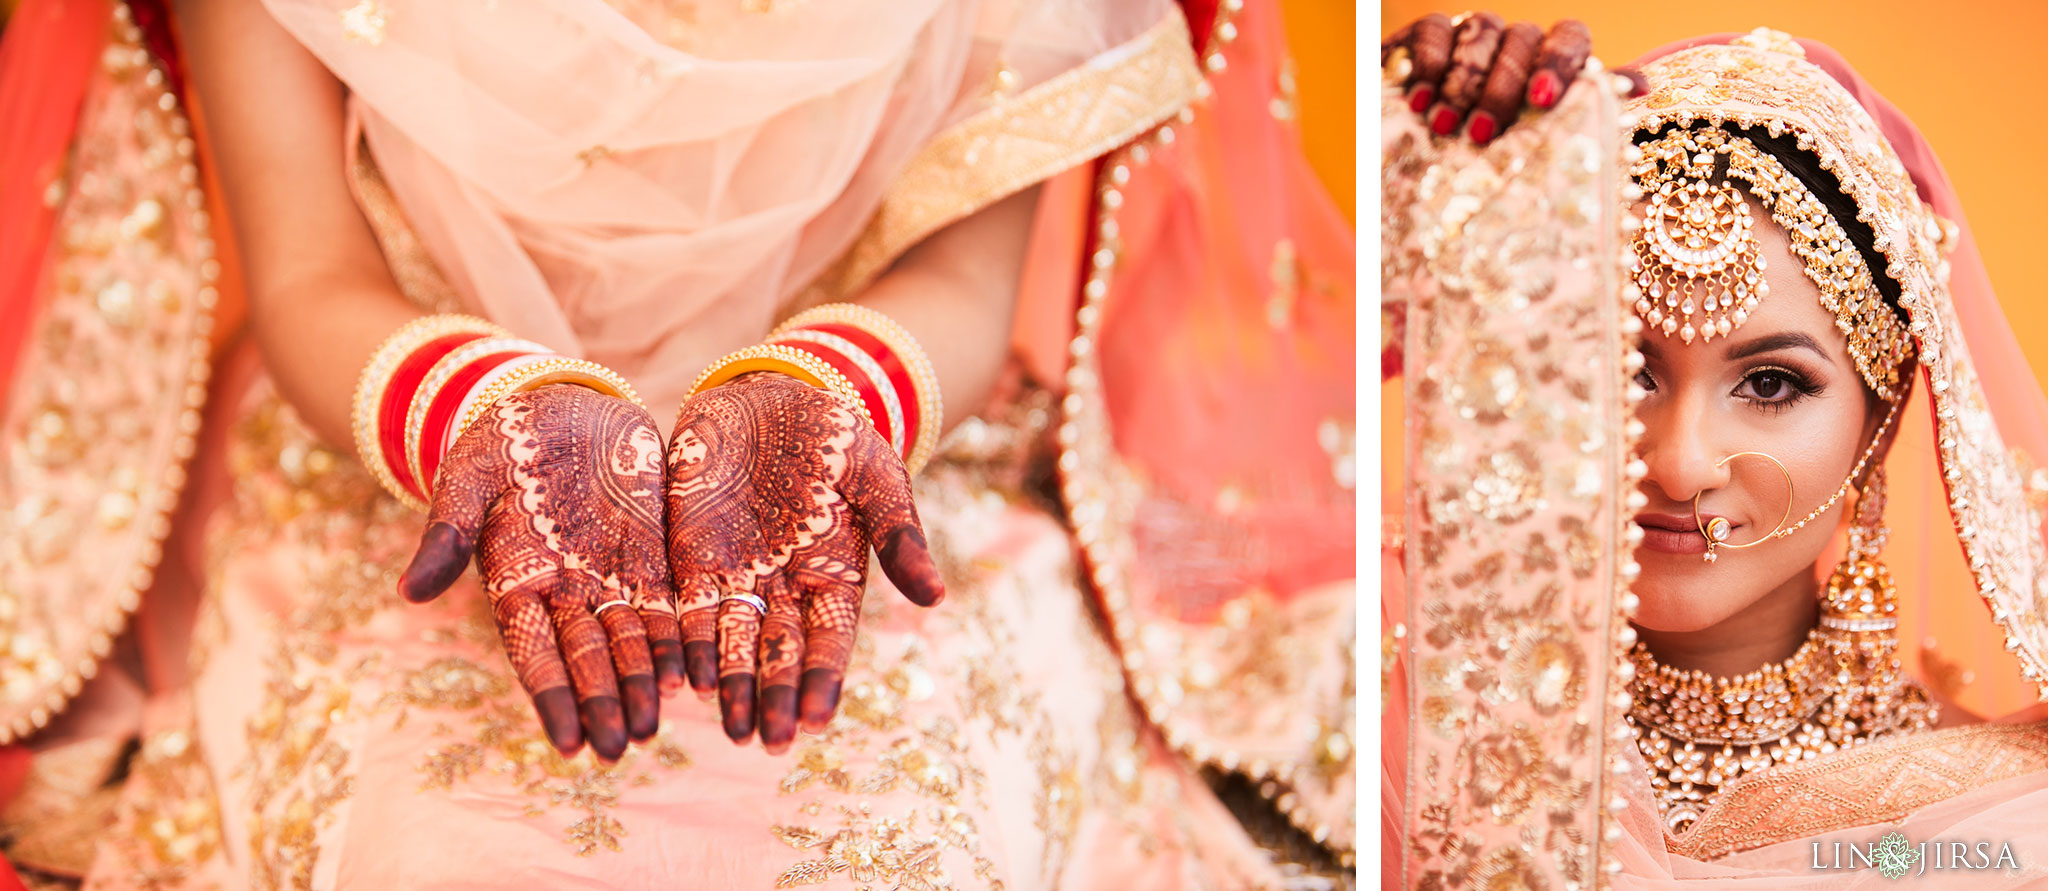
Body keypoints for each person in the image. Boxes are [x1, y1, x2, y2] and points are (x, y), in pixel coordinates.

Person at [0, 0, 1356, 886]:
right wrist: (490, 410)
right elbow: (308, 274)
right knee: (450, 847)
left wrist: (822, 398)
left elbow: (962, 281)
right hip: (413, 476)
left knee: (902, 850)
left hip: (877, 468)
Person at [1383, 15, 2048, 887]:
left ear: (1879, 419)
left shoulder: (1998, 816)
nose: (1679, 463)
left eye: (1770, 384)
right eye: (1624, 368)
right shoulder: (1413, 714)